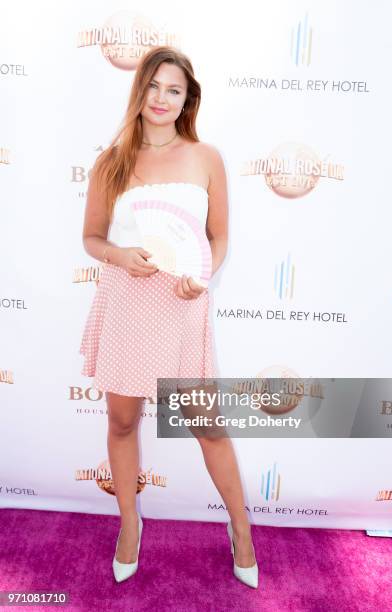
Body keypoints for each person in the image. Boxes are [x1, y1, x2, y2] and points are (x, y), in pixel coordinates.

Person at [79, 45, 258, 588]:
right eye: (154, 86)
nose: (161, 98)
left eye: (173, 89)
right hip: (127, 301)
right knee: (123, 421)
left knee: (207, 426)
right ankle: (129, 524)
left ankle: (242, 528)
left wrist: (204, 275)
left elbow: (219, 236)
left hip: (183, 304)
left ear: (187, 98)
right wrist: (119, 255)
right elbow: (90, 238)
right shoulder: (111, 162)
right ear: (140, 91)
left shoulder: (207, 158)